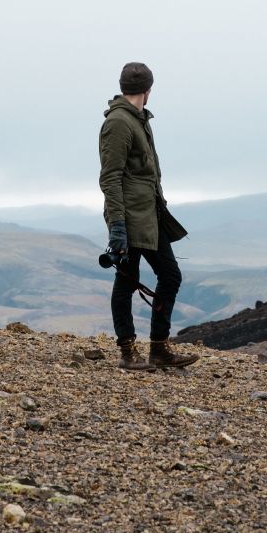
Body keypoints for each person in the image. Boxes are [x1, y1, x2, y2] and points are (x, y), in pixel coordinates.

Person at [98, 62, 200, 371]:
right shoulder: (118, 123)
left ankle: (158, 348)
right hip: (130, 220)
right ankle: (128, 352)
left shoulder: (139, 119)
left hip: (151, 216)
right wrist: (117, 225)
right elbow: (110, 177)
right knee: (127, 281)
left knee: (169, 276)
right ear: (148, 90)